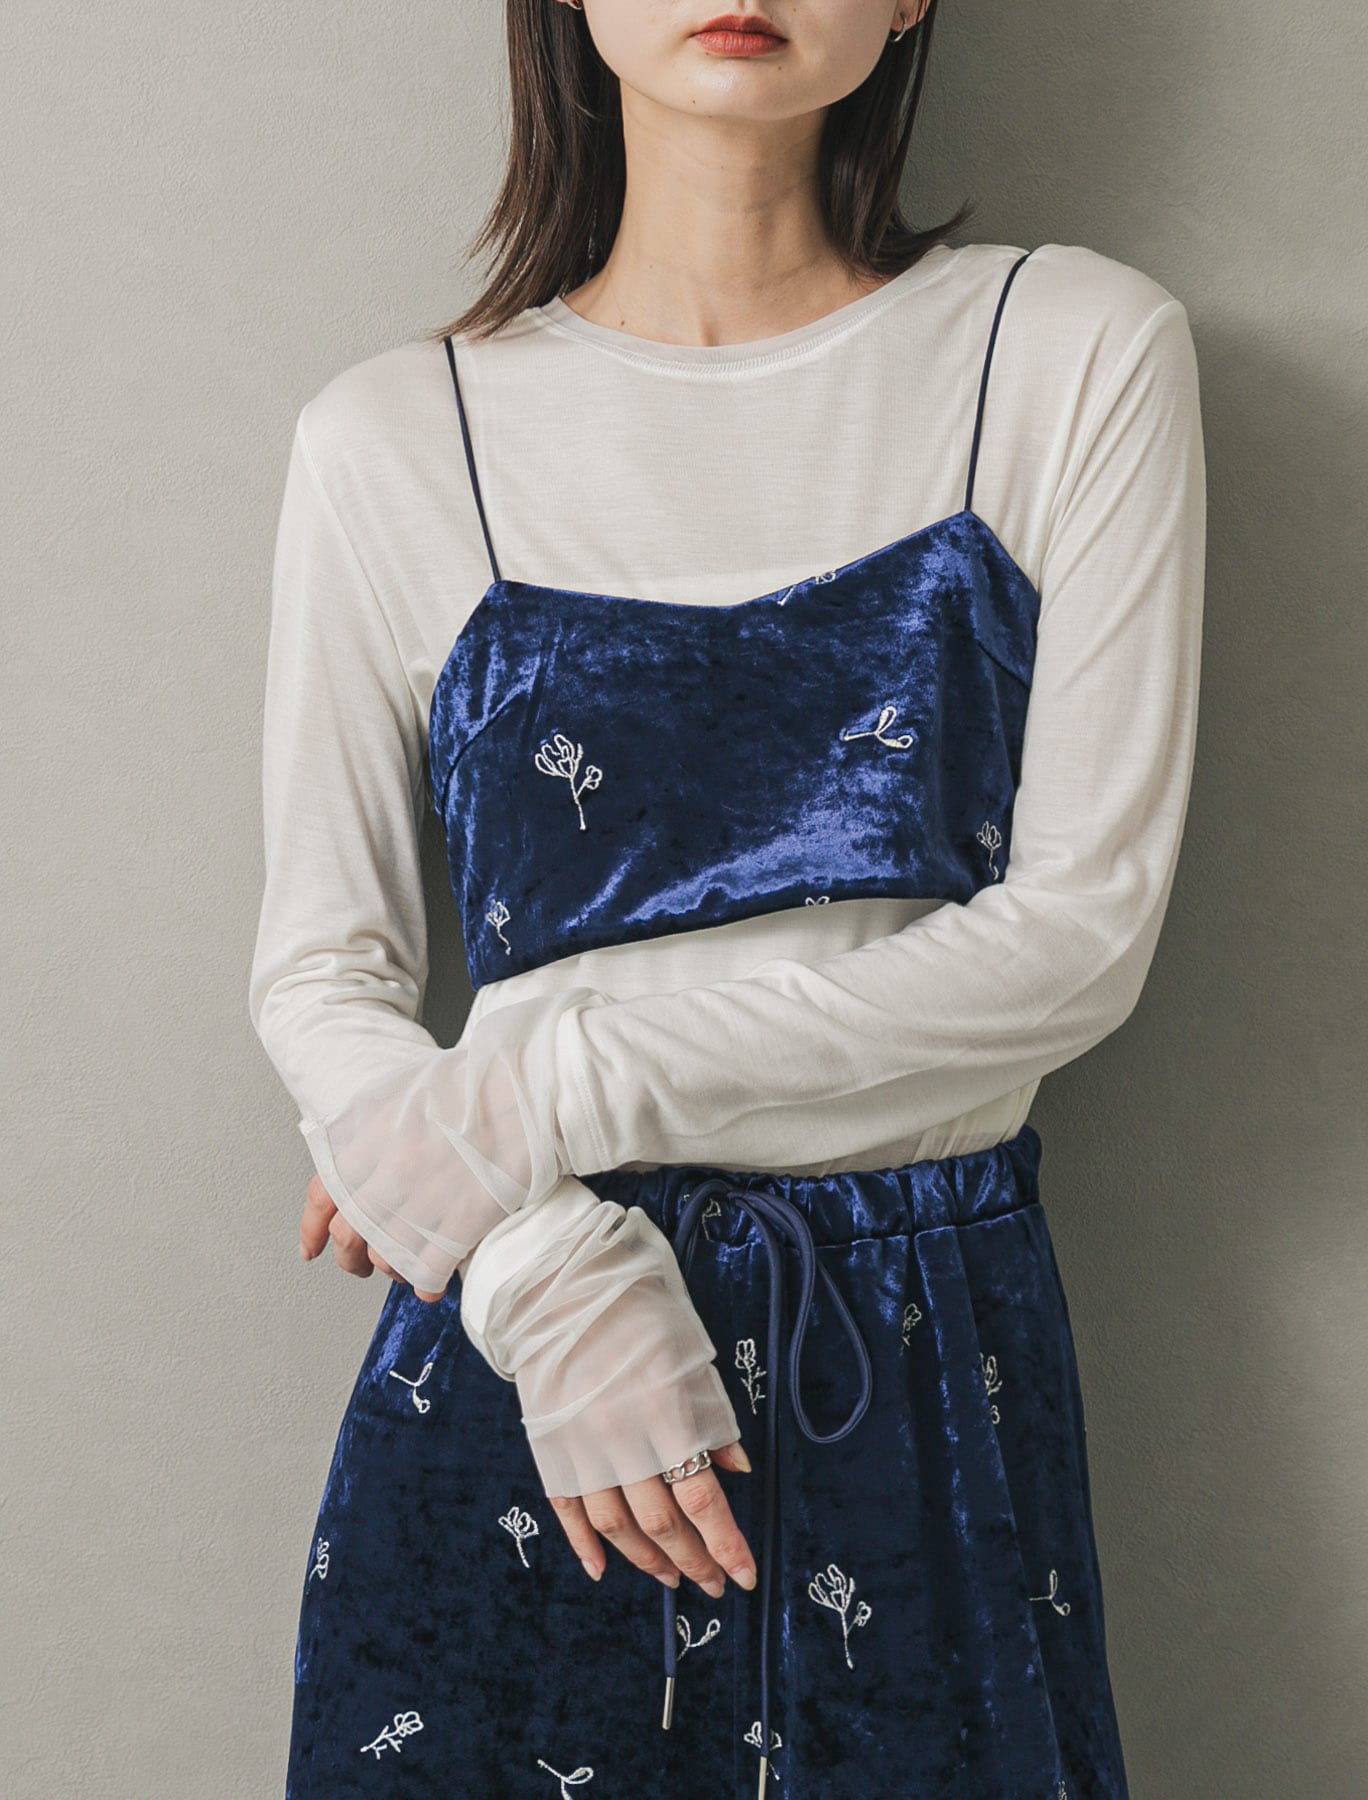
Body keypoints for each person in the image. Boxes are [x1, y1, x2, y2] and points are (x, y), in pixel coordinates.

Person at [248, 2, 1206, 1793]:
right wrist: (546, 1274)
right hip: (529, 1369)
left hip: (921, 1354)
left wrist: (535, 1096)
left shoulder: (1067, 352)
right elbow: (322, 975)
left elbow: (1079, 940)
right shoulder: (394, 435)